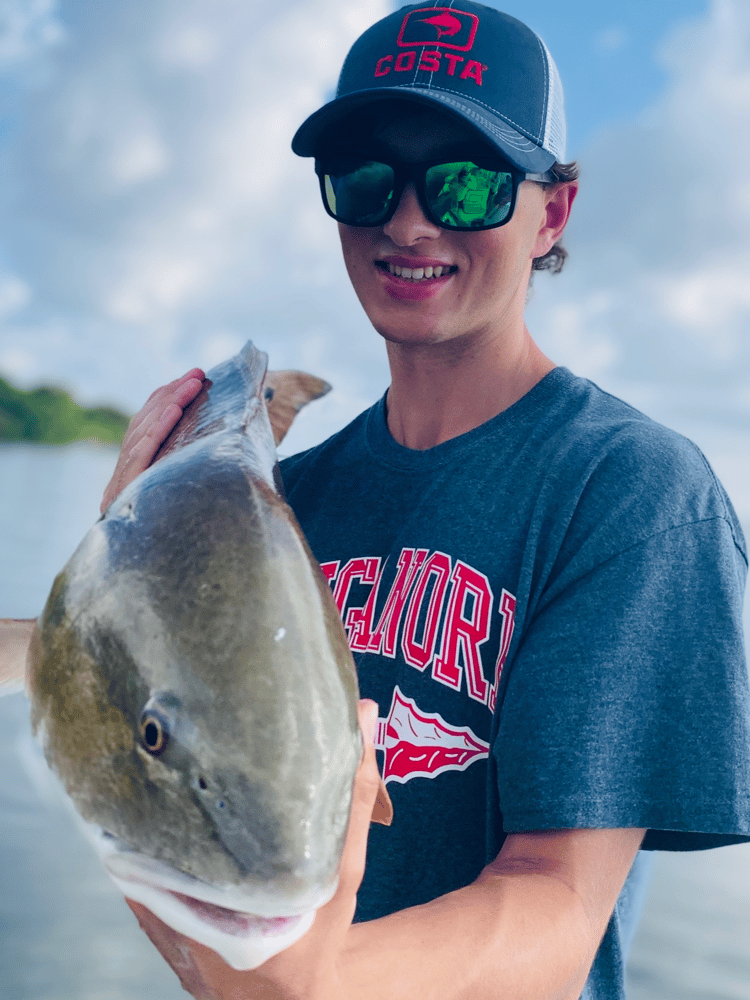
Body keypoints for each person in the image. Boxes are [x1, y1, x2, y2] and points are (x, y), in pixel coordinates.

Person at [104, 3, 750, 998]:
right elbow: (183, 808)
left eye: (466, 181)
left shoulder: (633, 493)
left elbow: (559, 905)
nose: (409, 221)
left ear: (553, 212)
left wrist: (304, 981)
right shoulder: (286, 506)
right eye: (367, 179)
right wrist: (125, 587)